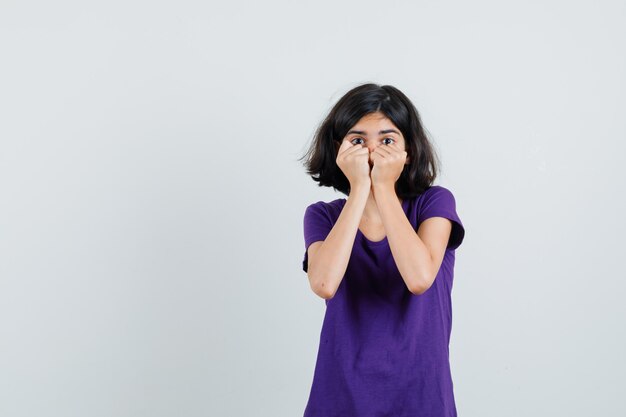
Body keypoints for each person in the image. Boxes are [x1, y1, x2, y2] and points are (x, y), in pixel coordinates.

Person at [298, 83, 466, 417]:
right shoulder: (323, 216)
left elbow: (419, 277)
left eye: (387, 140)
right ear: (339, 150)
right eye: (358, 140)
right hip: (340, 394)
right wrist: (360, 187)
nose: (373, 152)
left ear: (409, 152)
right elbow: (324, 284)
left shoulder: (434, 204)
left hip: (420, 395)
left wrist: (383, 188)